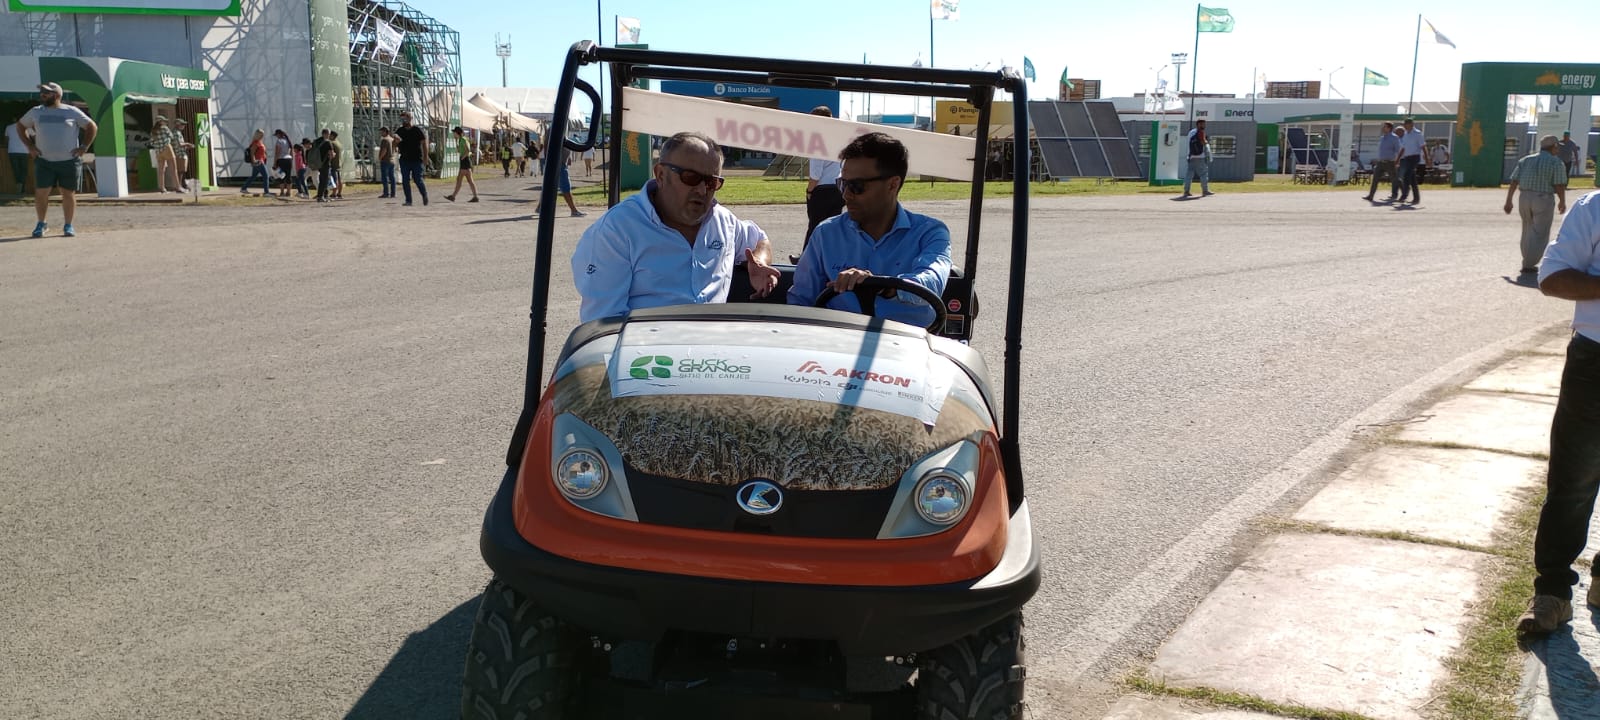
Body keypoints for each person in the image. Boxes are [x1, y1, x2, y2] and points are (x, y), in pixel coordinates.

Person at [570, 131, 779, 323]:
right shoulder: (617, 231)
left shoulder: (723, 222)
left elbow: (759, 239)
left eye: (711, 182)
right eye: (691, 177)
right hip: (648, 357)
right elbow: (603, 324)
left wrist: (758, 263)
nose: (701, 189)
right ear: (660, 175)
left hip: (712, 354)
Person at [1515, 188, 1600, 635]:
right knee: (1573, 481)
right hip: (1595, 362)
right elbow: (1551, 279)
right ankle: (1553, 592)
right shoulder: (1595, 209)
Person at [788, 132, 951, 328]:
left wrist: (885, 287)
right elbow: (800, 302)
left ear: (893, 184)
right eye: (842, 185)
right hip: (838, 345)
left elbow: (932, 282)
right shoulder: (826, 234)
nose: (846, 195)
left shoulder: (930, 233)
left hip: (908, 348)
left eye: (857, 186)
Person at [18, 81, 97, 238]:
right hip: (44, 161)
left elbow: (92, 126)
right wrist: (30, 147)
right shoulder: (35, 111)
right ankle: (42, 223)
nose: (43, 95)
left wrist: (84, 147)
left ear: (57, 95)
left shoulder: (72, 111)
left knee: (68, 193)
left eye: (46, 92)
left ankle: (68, 225)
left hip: (69, 161)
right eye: (42, 92)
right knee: (41, 193)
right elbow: (20, 126)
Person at [1504, 135, 1569, 275]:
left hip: (1524, 197)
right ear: (1553, 147)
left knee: (1527, 229)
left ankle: (1527, 260)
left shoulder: (1526, 160)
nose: (1558, 150)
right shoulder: (1556, 162)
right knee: (1540, 232)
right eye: (1557, 147)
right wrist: (1562, 201)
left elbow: (1514, 181)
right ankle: (1529, 263)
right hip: (1543, 198)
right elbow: (1559, 185)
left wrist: (1509, 200)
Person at [803, 106, 844, 248]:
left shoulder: (817, 142)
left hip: (821, 191)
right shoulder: (838, 140)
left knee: (815, 226)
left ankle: (806, 257)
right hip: (837, 188)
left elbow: (816, 174)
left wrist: (809, 191)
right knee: (832, 228)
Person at [536, 147, 585, 217]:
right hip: (559, 165)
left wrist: (569, 157)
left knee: (548, 187)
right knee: (566, 188)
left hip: (558, 164)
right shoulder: (555, 137)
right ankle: (574, 210)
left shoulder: (558, 137)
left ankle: (539, 207)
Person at [394, 111, 429, 206]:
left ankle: (424, 195)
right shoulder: (399, 131)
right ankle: (408, 200)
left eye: (404, 118)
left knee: (418, 179)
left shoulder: (417, 130)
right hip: (404, 159)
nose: (403, 121)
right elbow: (394, 145)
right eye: (401, 119)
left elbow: (424, 144)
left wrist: (426, 157)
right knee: (405, 180)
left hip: (417, 159)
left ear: (409, 118)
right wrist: (396, 142)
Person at [1393, 118, 1427, 205]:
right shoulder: (1405, 135)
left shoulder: (1418, 134)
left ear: (1411, 124)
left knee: (1407, 175)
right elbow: (1402, 148)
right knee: (1412, 179)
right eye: (1404, 124)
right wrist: (1397, 160)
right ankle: (1416, 198)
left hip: (1415, 157)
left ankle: (1404, 195)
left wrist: (1427, 159)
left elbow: (1423, 147)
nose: (1404, 126)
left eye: (1406, 124)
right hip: (1407, 158)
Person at [1365, 122, 1400, 202]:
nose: (1383, 128)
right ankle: (1371, 196)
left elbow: (1398, 150)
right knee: (1375, 179)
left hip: (1390, 162)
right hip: (1380, 162)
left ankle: (1397, 194)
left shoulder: (1395, 138)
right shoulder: (1382, 138)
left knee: (1394, 179)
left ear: (1389, 128)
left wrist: (1397, 161)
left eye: (1384, 127)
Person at [444, 126, 480, 203]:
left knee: (460, 179)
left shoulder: (463, 140)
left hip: (465, 161)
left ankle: (453, 196)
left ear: (457, 133)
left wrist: (462, 158)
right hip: (465, 161)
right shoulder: (460, 140)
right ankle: (475, 196)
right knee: (469, 180)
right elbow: (458, 151)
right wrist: (455, 141)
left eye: (454, 132)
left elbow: (468, 150)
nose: (453, 134)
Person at [148, 117, 181, 193]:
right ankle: (177, 187)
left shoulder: (153, 131)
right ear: (161, 122)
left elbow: (151, 142)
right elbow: (171, 136)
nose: (166, 122)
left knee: (161, 170)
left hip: (158, 151)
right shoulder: (165, 128)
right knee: (173, 169)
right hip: (167, 148)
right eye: (164, 121)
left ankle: (162, 188)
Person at [1182, 119, 1212, 198]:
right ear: (1199, 124)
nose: (1204, 126)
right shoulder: (1200, 132)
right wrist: (1206, 142)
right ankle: (1205, 191)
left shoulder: (1191, 132)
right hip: (1200, 156)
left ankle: (1186, 191)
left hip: (1191, 156)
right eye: (1203, 124)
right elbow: (1203, 142)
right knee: (1203, 174)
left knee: (1189, 174)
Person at [242, 128, 270, 197]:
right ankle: (266, 192)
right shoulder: (256, 142)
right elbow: (252, 153)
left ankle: (244, 188)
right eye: (261, 135)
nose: (262, 136)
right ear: (257, 135)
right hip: (258, 161)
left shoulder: (259, 142)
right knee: (266, 176)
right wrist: (254, 161)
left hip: (260, 161)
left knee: (253, 176)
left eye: (263, 135)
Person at [6, 118, 29, 194]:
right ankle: (22, 187)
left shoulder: (8, 127)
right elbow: (34, 137)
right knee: (23, 170)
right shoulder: (26, 127)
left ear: (13, 120)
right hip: (24, 151)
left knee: (16, 170)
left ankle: (19, 185)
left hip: (12, 151)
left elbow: (6, 140)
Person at [172, 118, 194, 192]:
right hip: (179, 154)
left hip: (181, 153)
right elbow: (179, 144)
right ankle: (179, 186)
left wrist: (187, 146)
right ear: (177, 124)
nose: (184, 126)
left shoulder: (178, 132)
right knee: (180, 171)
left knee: (181, 170)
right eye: (182, 124)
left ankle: (180, 185)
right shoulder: (176, 133)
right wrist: (188, 144)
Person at [312, 128, 333, 202]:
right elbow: (331, 154)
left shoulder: (316, 141)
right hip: (325, 163)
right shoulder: (328, 142)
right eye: (329, 134)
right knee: (324, 180)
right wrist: (332, 157)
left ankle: (324, 195)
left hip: (317, 163)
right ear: (326, 134)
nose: (329, 135)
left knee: (322, 179)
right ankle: (320, 196)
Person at [272, 129, 294, 197]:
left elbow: (277, 152)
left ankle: (282, 192)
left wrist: (275, 162)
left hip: (281, 159)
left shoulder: (279, 141)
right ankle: (288, 192)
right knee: (288, 176)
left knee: (281, 176)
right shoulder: (288, 141)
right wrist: (292, 160)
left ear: (278, 134)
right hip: (288, 159)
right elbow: (291, 152)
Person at [377, 126, 397, 198]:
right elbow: (395, 150)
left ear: (386, 132)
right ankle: (393, 193)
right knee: (392, 177)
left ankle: (386, 193)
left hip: (385, 160)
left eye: (382, 131)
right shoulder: (392, 139)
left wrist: (380, 157)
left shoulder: (384, 140)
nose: (381, 133)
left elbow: (384, 150)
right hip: (392, 160)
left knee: (384, 177)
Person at [327, 130, 344, 200]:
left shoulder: (332, 143)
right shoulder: (338, 143)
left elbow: (331, 154)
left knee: (334, 179)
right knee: (339, 179)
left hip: (334, 163)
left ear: (332, 136)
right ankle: (339, 193)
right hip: (339, 163)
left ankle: (334, 193)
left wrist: (329, 162)